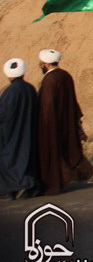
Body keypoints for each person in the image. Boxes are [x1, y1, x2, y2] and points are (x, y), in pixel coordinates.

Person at [36, 49, 93, 195]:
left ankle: (53, 184)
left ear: (47, 64)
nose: (40, 65)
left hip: (52, 125)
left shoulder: (49, 80)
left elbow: (47, 107)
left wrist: (43, 124)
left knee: (51, 154)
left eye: (42, 63)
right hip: (66, 122)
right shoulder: (65, 75)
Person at [0, 58, 39, 199]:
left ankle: (15, 188)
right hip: (27, 131)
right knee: (26, 158)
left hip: (11, 133)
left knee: (9, 160)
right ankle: (27, 186)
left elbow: (3, 114)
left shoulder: (10, 92)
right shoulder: (29, 88)